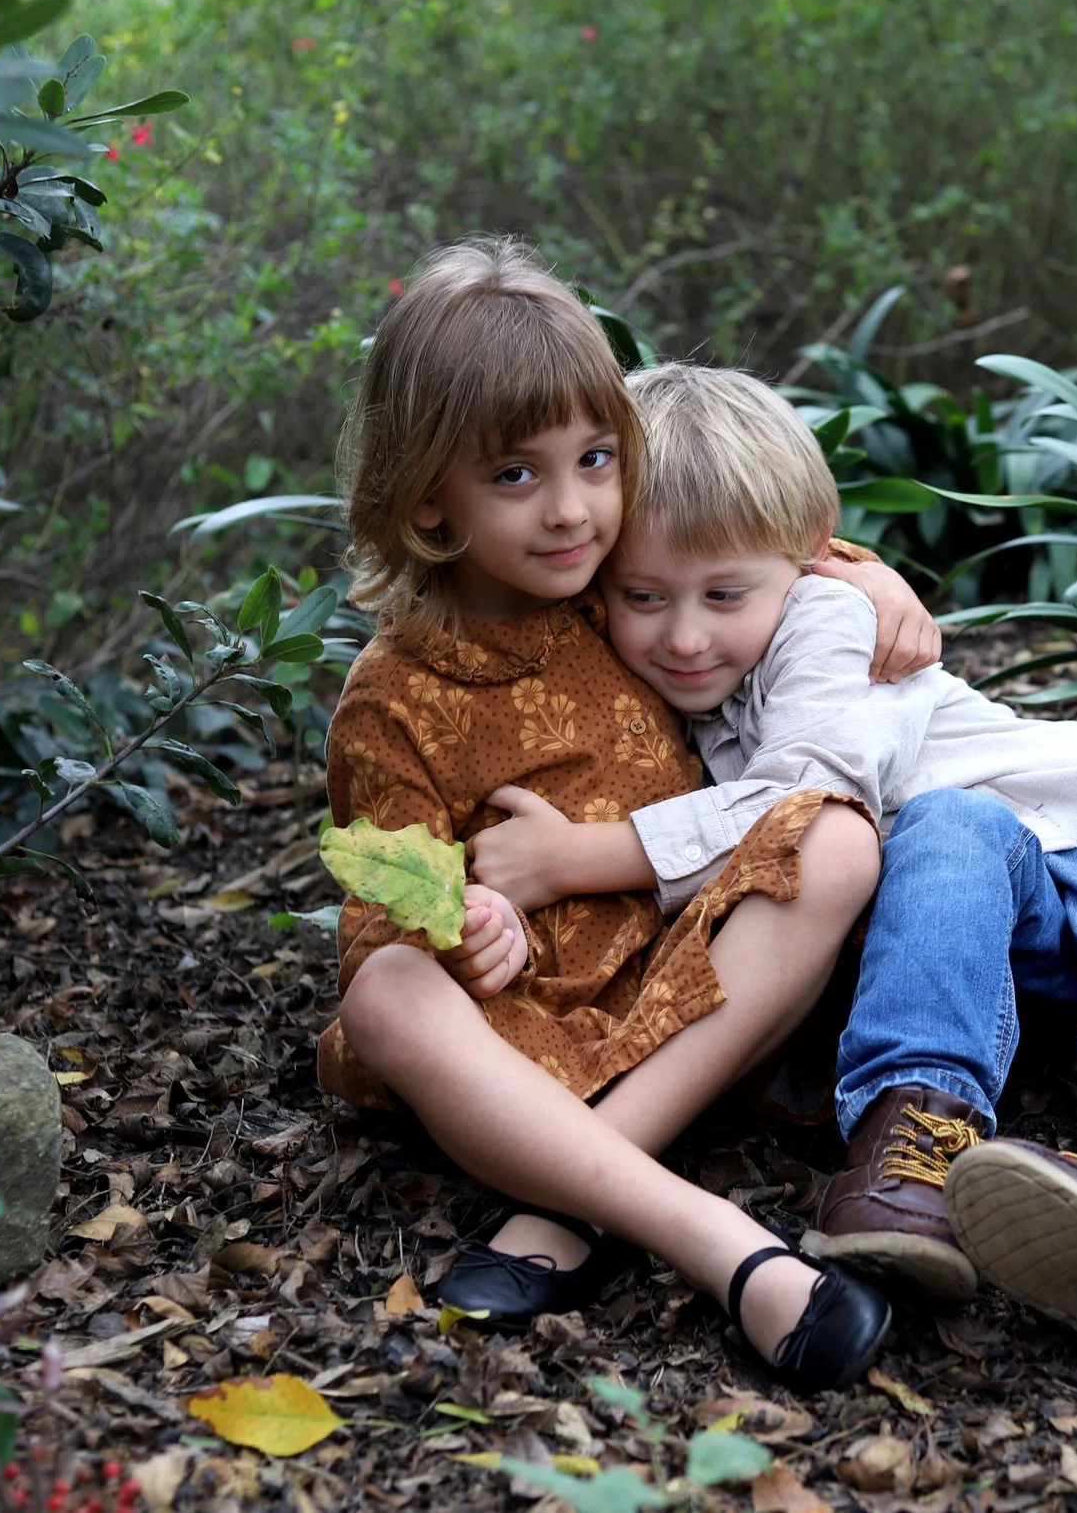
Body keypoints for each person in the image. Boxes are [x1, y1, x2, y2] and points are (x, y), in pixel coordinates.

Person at [471, 362, 1077, 1376]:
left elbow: (799, 800)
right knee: (942, 836)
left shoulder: (824, 619)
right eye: (644, 596)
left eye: (723, 594)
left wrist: (580, 857)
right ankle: (914, 1145)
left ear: (805, 557)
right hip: (978, 885)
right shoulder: (671, 650)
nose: (685, 634)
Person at [319, 240, 938, 1392]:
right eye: (516, 474)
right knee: (386, 989)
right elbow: (387, 890)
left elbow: (743, 542)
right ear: (427, 494)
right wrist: (462, 926)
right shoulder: (394, 698)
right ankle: (720, 1243)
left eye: (596, 458)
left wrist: (859, 572)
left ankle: (570, 1197)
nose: (571, 509)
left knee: (832, 838)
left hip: (694, 981)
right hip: (519, 1033)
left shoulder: (620, 585)